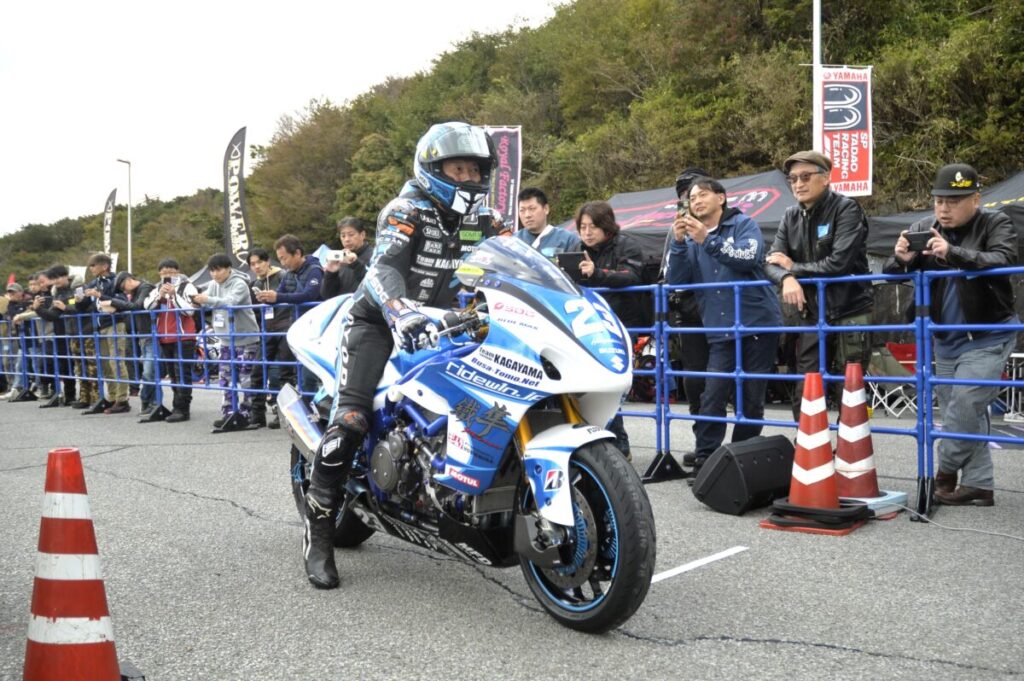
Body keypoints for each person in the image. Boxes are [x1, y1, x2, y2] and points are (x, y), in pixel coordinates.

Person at [301, 121, 496, 589]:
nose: (468, 178)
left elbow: (514, 260)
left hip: (444, 322)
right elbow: (382, 267)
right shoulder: (405, 210)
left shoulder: (484, 219)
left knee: (481, 404)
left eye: (474, 170)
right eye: (458, 169)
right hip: (379, 322)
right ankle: (318, 531)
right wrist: (398, 309)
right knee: (351, 420)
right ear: (433, 169)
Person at [885, 163, 1018, 506]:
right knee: (963, 413)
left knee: (965, 406)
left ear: (976, 199)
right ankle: (979, 484)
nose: (944, 208)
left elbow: (1004, 258)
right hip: (944, 338)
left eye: (954, 201)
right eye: (939, 200)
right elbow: (890, 273)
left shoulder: (995, 222)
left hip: (988, 333)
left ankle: (943, 472)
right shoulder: (922, 226)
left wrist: (953, 253)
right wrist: (900, 259)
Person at [667, 178, 782, 471]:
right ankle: (706, 458)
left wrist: (707, 239)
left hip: (757, 323)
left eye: (703, 194)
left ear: (721, 198)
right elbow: (676, 281)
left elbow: (749, 257)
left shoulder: (744, 224)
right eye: (692, 198)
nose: (696, 201)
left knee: (752, 398)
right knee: (713, 393)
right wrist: (678, 244)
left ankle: (742, 458)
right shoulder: (690, 238)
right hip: (719, 327)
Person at [765, 150, 873, 419]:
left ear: (826, 178)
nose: (798, 184)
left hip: (850, 308)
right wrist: (786, 278)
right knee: (807, 384)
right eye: (792, 179)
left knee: (850, 386)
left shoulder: (846, 208)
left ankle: (851, 447)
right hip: (811, 312)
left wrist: (793, 268)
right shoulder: (790, 215)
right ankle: (806, 445)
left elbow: (839, 263)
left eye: (805, 176)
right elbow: (770, 262)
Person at [565, 200, 646, 461]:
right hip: (584, 326)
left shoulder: (627, 245)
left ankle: (619, 447)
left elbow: (631, 276)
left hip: (619, 326)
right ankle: (596, 445)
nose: (587, 232)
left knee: (609, 387)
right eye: (582, 227)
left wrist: (597, 273)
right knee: (584, 387)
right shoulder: (575, 249)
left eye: (593, 227)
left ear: (607, 226)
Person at [666, 168, 711, 463]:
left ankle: (741, 447)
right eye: (684, 195)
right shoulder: (677, 226)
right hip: (688, 313)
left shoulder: (724, 221)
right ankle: (704, 444)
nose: (690, 200)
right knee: (694, 381)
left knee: (727, 381)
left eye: (695, 192)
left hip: (720, 312)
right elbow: (672, 273)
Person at [255, 234, 324, 418]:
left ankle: (314, 414)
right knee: (298, 373)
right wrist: (267, 298)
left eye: (284, 258)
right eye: (280, 259)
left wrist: (278, 297)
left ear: (298, 253)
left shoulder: (315, 270)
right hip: (299, 328)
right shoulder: (289, 275)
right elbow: (280, 294)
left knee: (309, 375)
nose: (283, 263)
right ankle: (306, 413)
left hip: (317, 329)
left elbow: (310, 295)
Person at [193, 254, 261, 427]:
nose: (215, 274)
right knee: (226, 378)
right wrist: (197, 301)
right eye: (212, 271)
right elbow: (207, 301)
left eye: (218, 270)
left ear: (229, 268)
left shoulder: (239, 283)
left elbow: (231, 302)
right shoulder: (213, 285)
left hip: (246, 338)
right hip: (225, 339)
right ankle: (229, 412)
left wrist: (207, 300)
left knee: (246, 378)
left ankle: (248, 413)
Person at [144, 259, 200, 423]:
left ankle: (182, 409)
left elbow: (189, 311)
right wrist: (160, 296)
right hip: (165, 337)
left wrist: (174, 295)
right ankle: (177, 407)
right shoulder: (157, 288)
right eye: (164, 273)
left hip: (184, 337)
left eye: (171, 272)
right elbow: (147, 306)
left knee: (183, 374)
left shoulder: (187, 286)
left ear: (178, 272)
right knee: (173, 375)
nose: (167, 275)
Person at [79, 253, 131, 414]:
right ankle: (112, 397)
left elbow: (122, 302)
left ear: (105, 266)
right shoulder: (92, 283)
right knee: (105, 364)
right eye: (90, 266)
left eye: (93, 265)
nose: (91, 268)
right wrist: (79, 300)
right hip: (99, 326)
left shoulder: (116, 281)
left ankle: (122, 400)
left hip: (115, 324)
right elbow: (82, 307)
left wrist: (99, 295)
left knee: (117, 361)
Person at [107, 272, 158, 414]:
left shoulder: (146, 287)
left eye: (123, 287)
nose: (125, 291)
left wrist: (113, 302)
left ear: (129, 280)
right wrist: (115, 308)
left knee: (149, 372)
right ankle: (151, 404)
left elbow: (137, 306)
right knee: (149, 372)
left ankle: (149, 402)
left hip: (151, 334)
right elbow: (133, 307)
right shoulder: (136, 292)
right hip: (143, 336)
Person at [247, 248, 287, 428]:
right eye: (252, 264)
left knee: (285, 373)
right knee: (257, 371)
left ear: (267, 261)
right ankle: (257, 415)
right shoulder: (255, 283)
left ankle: (284, 415)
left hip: (285, 327)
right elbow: (254, 310)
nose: (256, 266)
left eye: (259, 262)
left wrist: (274, 298)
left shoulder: (283, 276)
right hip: (266, 330)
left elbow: (290, 298)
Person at [33, 265, 79, 406]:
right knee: (65, 366)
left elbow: (82, 308)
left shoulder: (76, 288)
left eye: (59, 277)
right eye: (53, 278)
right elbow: (52, 315)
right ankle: (69, 396)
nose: (56, 281)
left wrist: (65, 307)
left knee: (82, 365)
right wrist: (37, 308)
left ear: (66, 275)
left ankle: (88, 397)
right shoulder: (57, 293)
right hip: (61, 334)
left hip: (78, 333)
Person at [513, 187, 580, 256]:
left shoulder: (568, 240)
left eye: (532, 209)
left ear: (546, 209)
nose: (527, 215)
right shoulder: (513, 241)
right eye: (522, 210)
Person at [321, 217, 374, 298]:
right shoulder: (340, 259)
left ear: (362, 235)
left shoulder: (374, 256)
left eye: (351, 235)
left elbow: (375, 286)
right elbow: (327, 295)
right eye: (343, 236)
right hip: (344, 305)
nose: (347, 239)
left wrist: (355, 264)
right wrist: (331, 273)